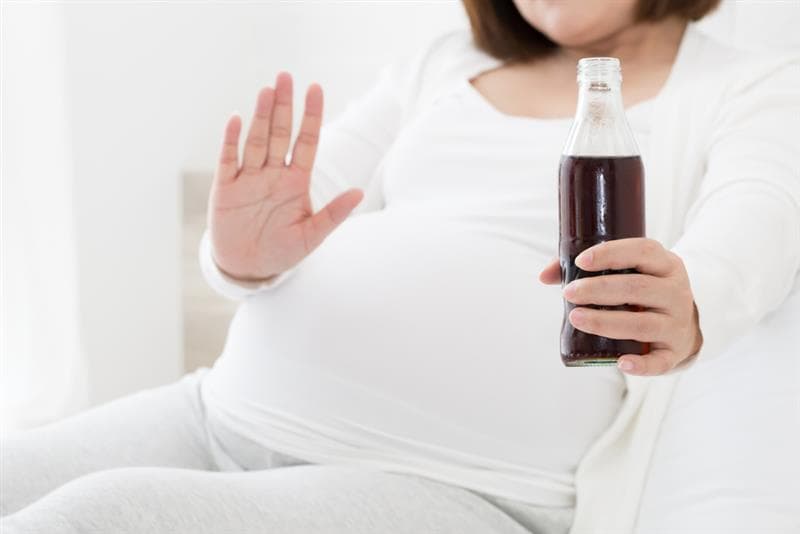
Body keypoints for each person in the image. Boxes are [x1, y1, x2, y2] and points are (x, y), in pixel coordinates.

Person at [3, 0, 798, 532]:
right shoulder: (442, 63)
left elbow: (750, 240)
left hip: (451, 482)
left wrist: (690, 305)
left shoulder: (746, 85)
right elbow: (294, 210)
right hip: (218, 414)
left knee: (88, 518)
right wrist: (237, 262)